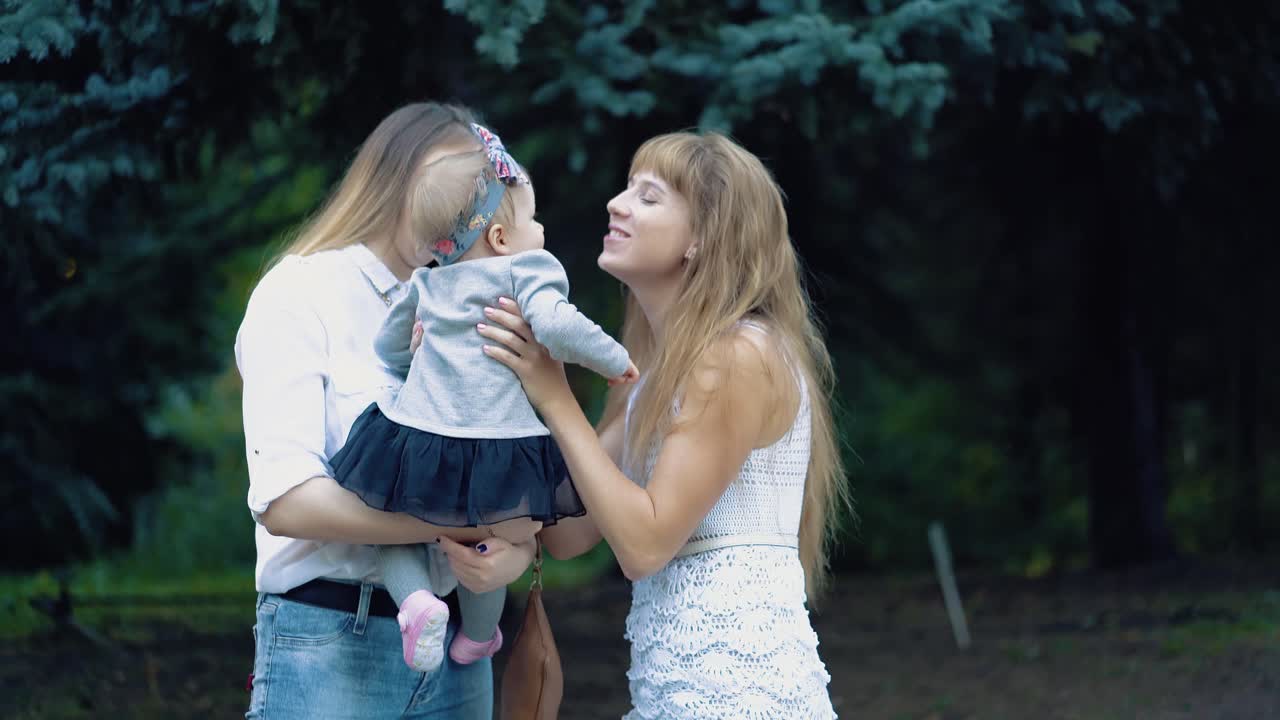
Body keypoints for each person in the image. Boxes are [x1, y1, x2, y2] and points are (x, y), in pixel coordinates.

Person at [478, 131, 847, 718]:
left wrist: (555, 396)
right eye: (627, 189)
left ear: (702, 238)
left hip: (737, 695)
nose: (616, 204)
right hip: (677, 691)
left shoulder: (737, 355)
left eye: (648, 197)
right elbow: (568, 530)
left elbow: (644, 545)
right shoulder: (651, 373)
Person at [235, 102, 540, 720]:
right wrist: (454, 524)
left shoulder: (483, 304)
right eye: (455, 184)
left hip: (460, 654)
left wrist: (513, 552)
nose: (461, 205)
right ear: (399, 177)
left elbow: (511, 475)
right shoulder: (300, 293)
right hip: (330, 639)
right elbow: (285, 500)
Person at [327, 123, 638, 673]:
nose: (540, 229)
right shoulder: (528, 269)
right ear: (500, 238)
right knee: (491, 543)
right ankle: (478, 635)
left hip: (421, 436)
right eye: (533, 219)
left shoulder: (427, 281)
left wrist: (412, 357)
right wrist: (614, 359)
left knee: (389, 523)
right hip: (497, 445)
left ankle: (416, 603)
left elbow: (386, 347)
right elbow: (557, 324)